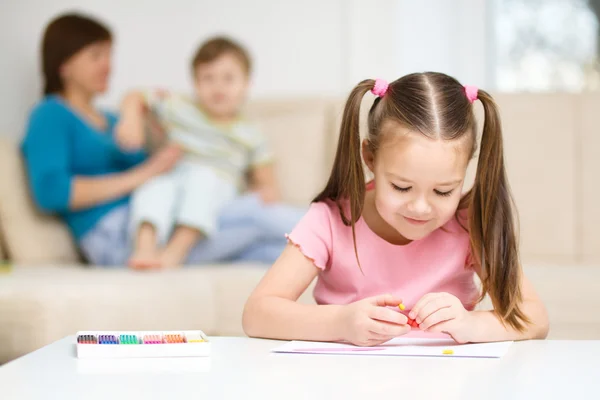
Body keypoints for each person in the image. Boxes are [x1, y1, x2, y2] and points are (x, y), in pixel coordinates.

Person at [242, 73, 550, 345]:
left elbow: (534, 317)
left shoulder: (470, 223)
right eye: (402, 187)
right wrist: (340, 323)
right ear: (370, 159)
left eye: (443, 191)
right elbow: (257, 313)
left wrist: (472, 323)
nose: (420, 207)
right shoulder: (330, 219)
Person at [116, 37, 305, 268]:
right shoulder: (179, 107)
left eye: (228, 78)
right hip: (174, 180)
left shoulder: (250, 133)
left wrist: (264, 193)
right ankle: (145, 248)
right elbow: (135, 95)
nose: (218, 87)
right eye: (208, 78)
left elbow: (268, 185)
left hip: (218, 191)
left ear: (246, 84)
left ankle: (175, 251)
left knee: (202, 178)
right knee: (155, 184)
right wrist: (131, 119)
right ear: (195, 84)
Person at [21, 13, 182, 266]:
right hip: (111, 231)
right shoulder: (50, 114)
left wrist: (139, 110)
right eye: (96, 56)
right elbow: (51, 192)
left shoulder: (113, 119)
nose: (108, 66)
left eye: (109, 55)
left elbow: (159, 165)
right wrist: (143, 175)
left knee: (258, 243)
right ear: (64, 65)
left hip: (151, 214)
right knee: (253, 220)